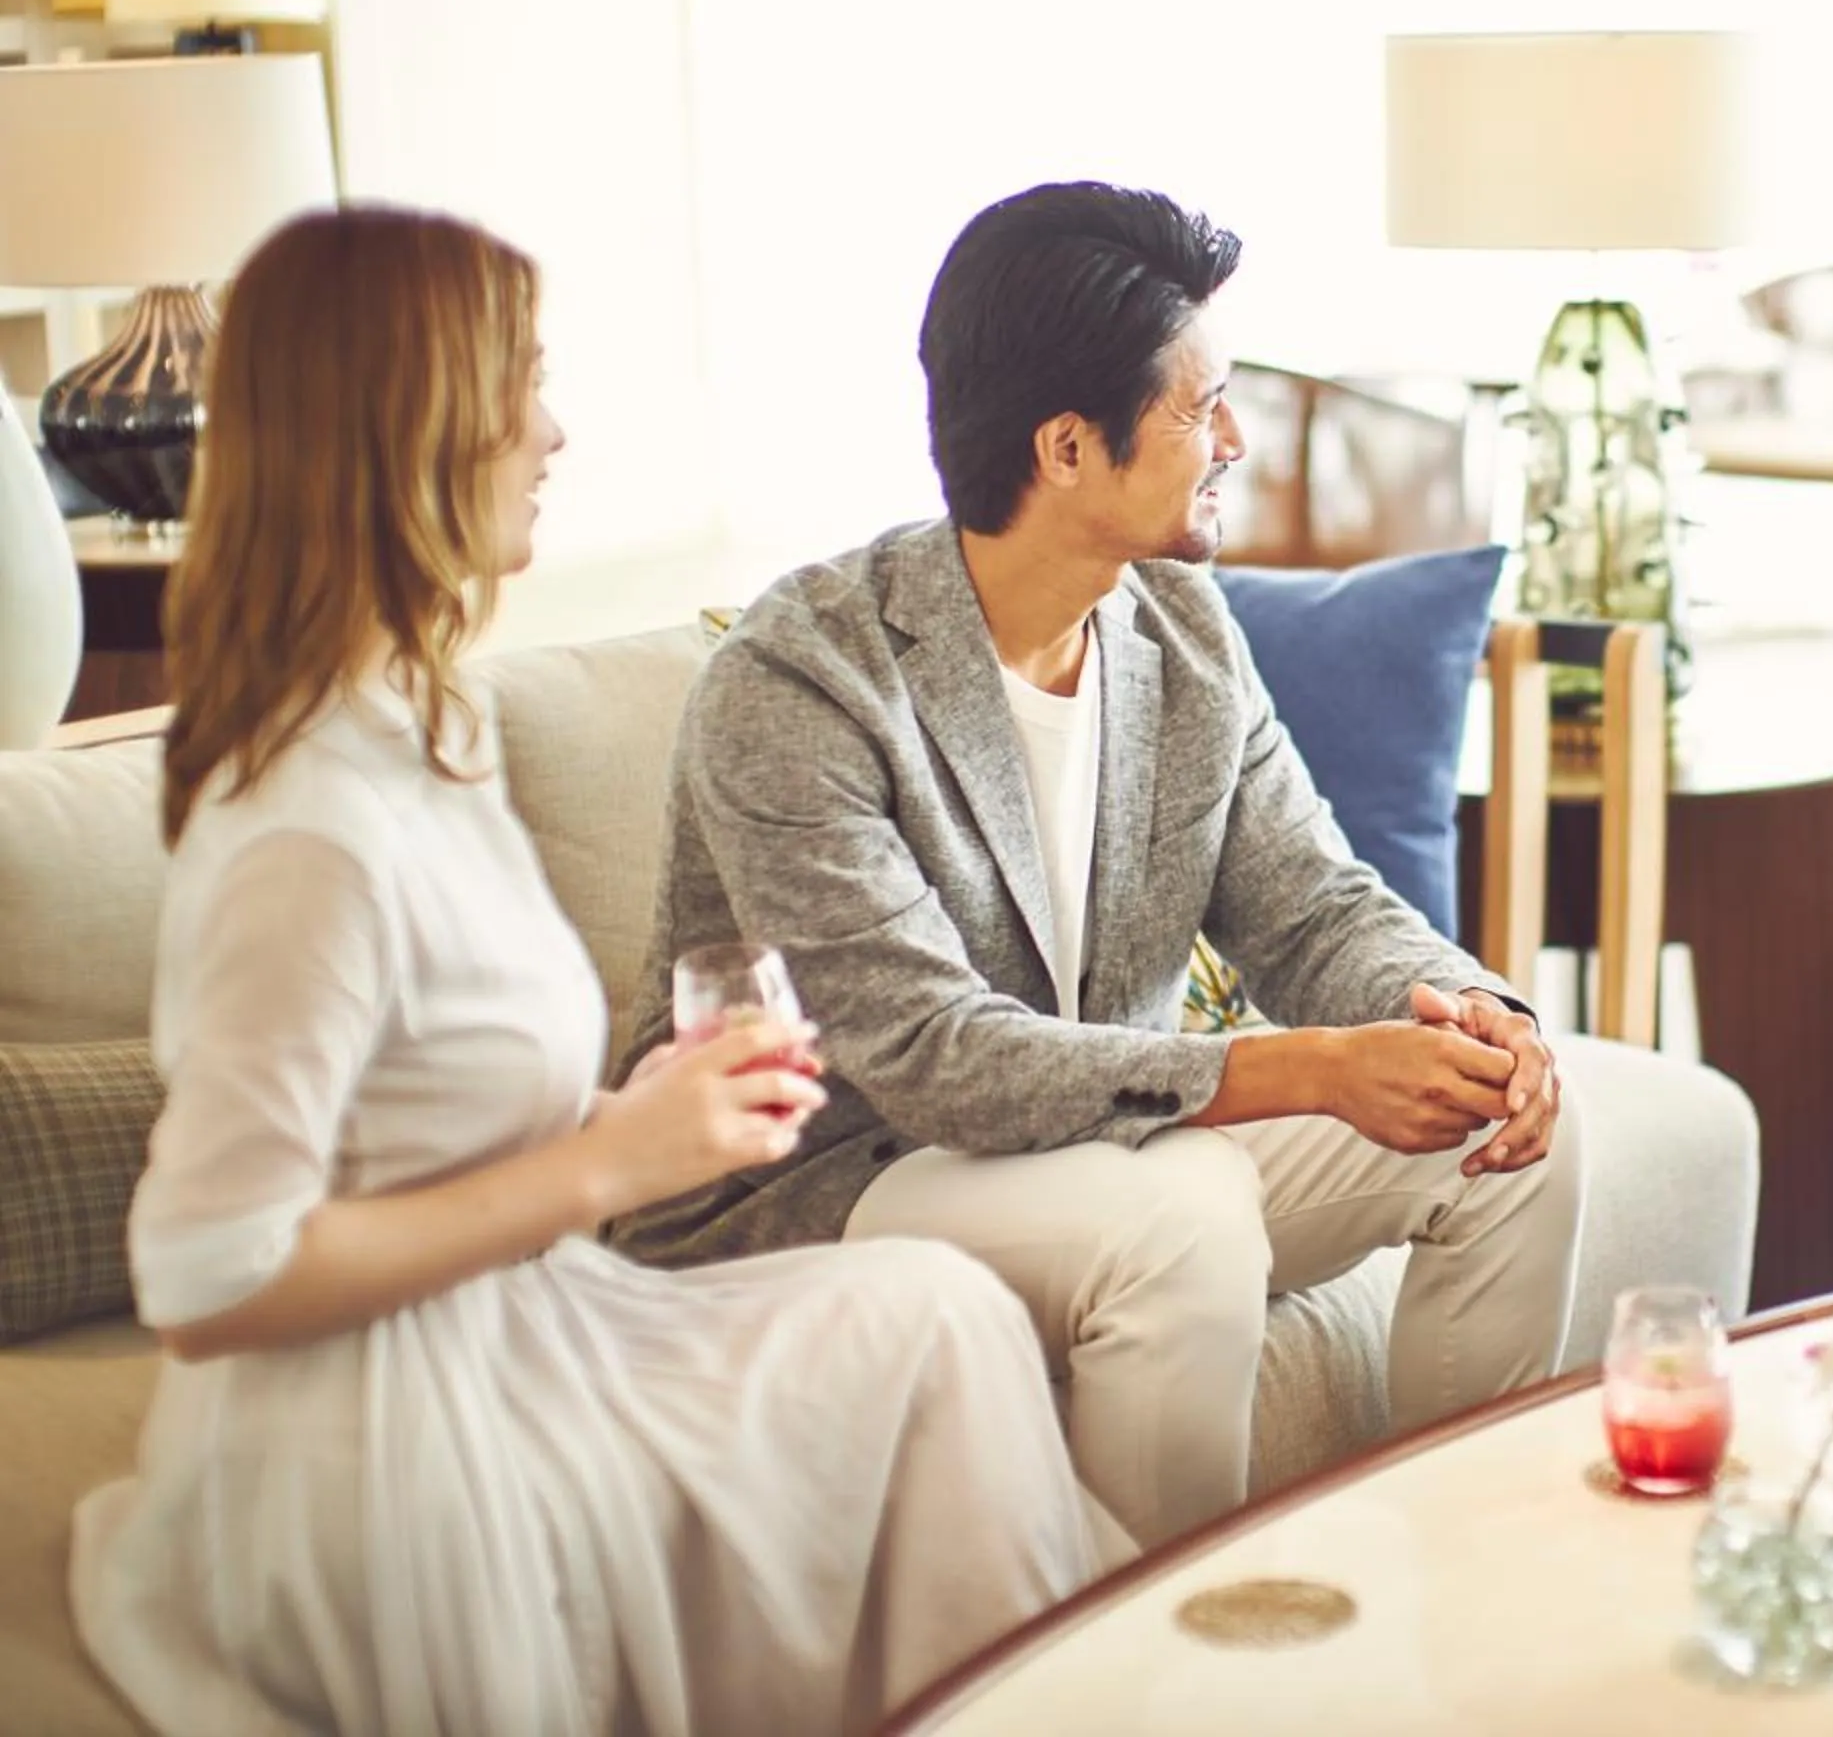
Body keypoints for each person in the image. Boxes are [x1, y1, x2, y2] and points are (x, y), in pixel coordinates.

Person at [70, 206, 1121, 1737]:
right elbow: (204, 1272)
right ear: (407, 427)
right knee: (925, 1341)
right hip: (386, 1435)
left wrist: (638, 1111)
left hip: (527, 1319)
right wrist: (605, 1167)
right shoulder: (309, 827)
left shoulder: (422, 732)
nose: (552, 433)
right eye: (522, 387)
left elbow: (429, 1107)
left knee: (934, 1317)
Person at [609, 182, 1586, 1548]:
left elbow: (1309, 902)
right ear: (1069, 445)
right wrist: (1307, 1068)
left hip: (1102, 1146)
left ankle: (1456, 1595)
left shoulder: (1180, 628)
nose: (1235, 439)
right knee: (1176, 1220)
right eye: (1202, 408)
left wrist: (1473, 1016)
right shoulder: (801, 681)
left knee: (1508, 1130)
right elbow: (933, 1059)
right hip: (837, 1179)